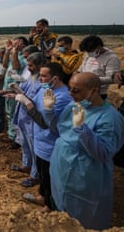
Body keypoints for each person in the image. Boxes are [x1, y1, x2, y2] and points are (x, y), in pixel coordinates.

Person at [43, 72, 124, 230]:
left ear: (94, 90)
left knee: (83, 221)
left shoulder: (110, 119)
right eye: (70, 89)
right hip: (61, 170)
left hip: (84, 179)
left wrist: (82, 129)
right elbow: (58, 130)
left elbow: (104, 153)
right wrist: (48, 111)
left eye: (76, 90)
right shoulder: (74, 106)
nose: (71, 94)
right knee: (61, 212)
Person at [15, 63, 72, 212]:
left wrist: (26, 102)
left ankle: (50, 206)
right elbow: (36, 103)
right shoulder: (45, 88)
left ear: (55, 78)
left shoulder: (62, 97)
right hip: (40, 141)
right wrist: (23, 97)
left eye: (43, 75)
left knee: (49, 177)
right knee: (43, 174)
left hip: (50, 145)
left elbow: (46, 123)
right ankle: (43, 197)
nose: (40, 78)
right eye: (39, 75)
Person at [7, 52, 46, 188]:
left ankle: (35, 175)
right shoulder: (32, 77)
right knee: (24, 143)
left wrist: (23, 98)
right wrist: (14, 91)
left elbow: (36, 102)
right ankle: (26, 165)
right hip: (23, 116)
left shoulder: (43, 81)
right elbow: (23, 91)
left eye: (31, 65)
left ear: (40, 65)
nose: (28, 68)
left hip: (32, 120)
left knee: (33, 147)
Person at [2, 36, 28, 149]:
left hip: (15, 89)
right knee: (9, 113)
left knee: (14, 114)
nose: (14, 43)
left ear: (23, 44)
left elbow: (16, 67)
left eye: (17, 42)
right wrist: (8, 51)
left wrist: (15, 52)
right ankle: (11, 135)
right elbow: (4, 65)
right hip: (7, 87)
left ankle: (16, 139)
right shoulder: (13, 54)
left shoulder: (25, 57)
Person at [77, 35, 121, 99]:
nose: (88, 53)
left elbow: (112, 79)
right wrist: (77, 73)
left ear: (99, 47)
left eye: (90, 51)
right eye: (87, 51)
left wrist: (91, 80)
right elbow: (82, 68)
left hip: (99, 93)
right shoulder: (88, 55)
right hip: (85, 89)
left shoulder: (111, 58)